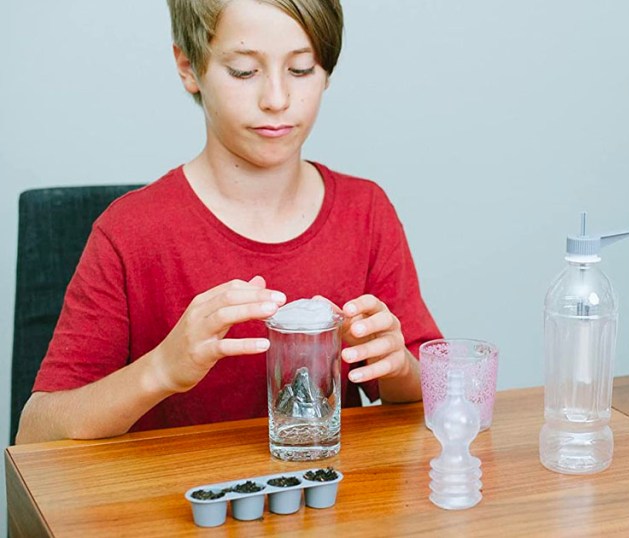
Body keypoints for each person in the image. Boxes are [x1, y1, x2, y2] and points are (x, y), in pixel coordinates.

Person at [16, 0, 441, 444]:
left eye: (301, 70)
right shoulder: (129, 232)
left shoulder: (365, 211)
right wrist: (162, 368)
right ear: (188, 67)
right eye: (243, 71)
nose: (276, 100)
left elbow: (423, 396)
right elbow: (35, 435)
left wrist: (397, 365)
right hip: (175, 506)